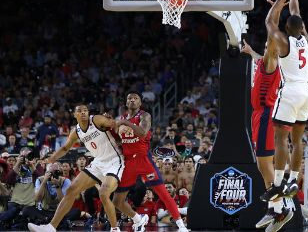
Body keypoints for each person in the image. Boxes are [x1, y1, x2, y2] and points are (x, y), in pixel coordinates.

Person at [260, 0, 308, 232]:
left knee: (280, 138)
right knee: (298, 139)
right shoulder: (304, 38)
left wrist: (278, 3)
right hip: (307, 91)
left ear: (286, 28)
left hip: (290, 91)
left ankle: (278, 184)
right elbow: (296, 14)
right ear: (301, 27)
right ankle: (292, 181)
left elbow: (270, 23)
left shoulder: (282, 40)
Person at [27, 104, 124, 232]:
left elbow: (115, 124)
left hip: (114, 161)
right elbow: (65, 148)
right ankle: (51, 227)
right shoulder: (76, 131)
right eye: (80, 111)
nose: (83, 113)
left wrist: (118, 125)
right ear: (74, 115)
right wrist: (53, 157)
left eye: (85, 111)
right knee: (71, 190)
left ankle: (115, 228)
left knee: (104, 194)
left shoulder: (96, 120)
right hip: (98, 162)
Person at [111, 91, 188, 232]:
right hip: (128, 162)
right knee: (117, 200)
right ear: (126, 103)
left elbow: (142, 132)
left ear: (140, 103)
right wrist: (109, 126)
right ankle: (138, 220)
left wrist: (124, 122)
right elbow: (117, 140)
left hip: (144, 160)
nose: (132, 100)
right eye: (130, 98)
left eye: (135, 98)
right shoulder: (121, 118)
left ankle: (181, 226)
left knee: (163, 194)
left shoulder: (144, 115)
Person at [241, 0, 283, 229]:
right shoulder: (263, 63)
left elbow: (272, 31)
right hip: (259, 116)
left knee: (265, 166)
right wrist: (251, 52)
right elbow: (260, 57)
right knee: (262, 167)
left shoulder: (271, 62)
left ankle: (279, 209)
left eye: (269, 48)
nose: (266, 50)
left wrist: (276, 7)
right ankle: (275, 209)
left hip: (266, 115)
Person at [1, 147, 45, 224]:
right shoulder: (16, 168)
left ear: (33, 158)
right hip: (15, 202)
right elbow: (9, 181)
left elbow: (41, 180)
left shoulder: (37, 167)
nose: (26, 158)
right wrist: (17, 164)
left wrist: (31, 166)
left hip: (31, 203)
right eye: (23, 156)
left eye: (29, 156)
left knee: (25, 211)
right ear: (19, 157)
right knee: (10, 208)